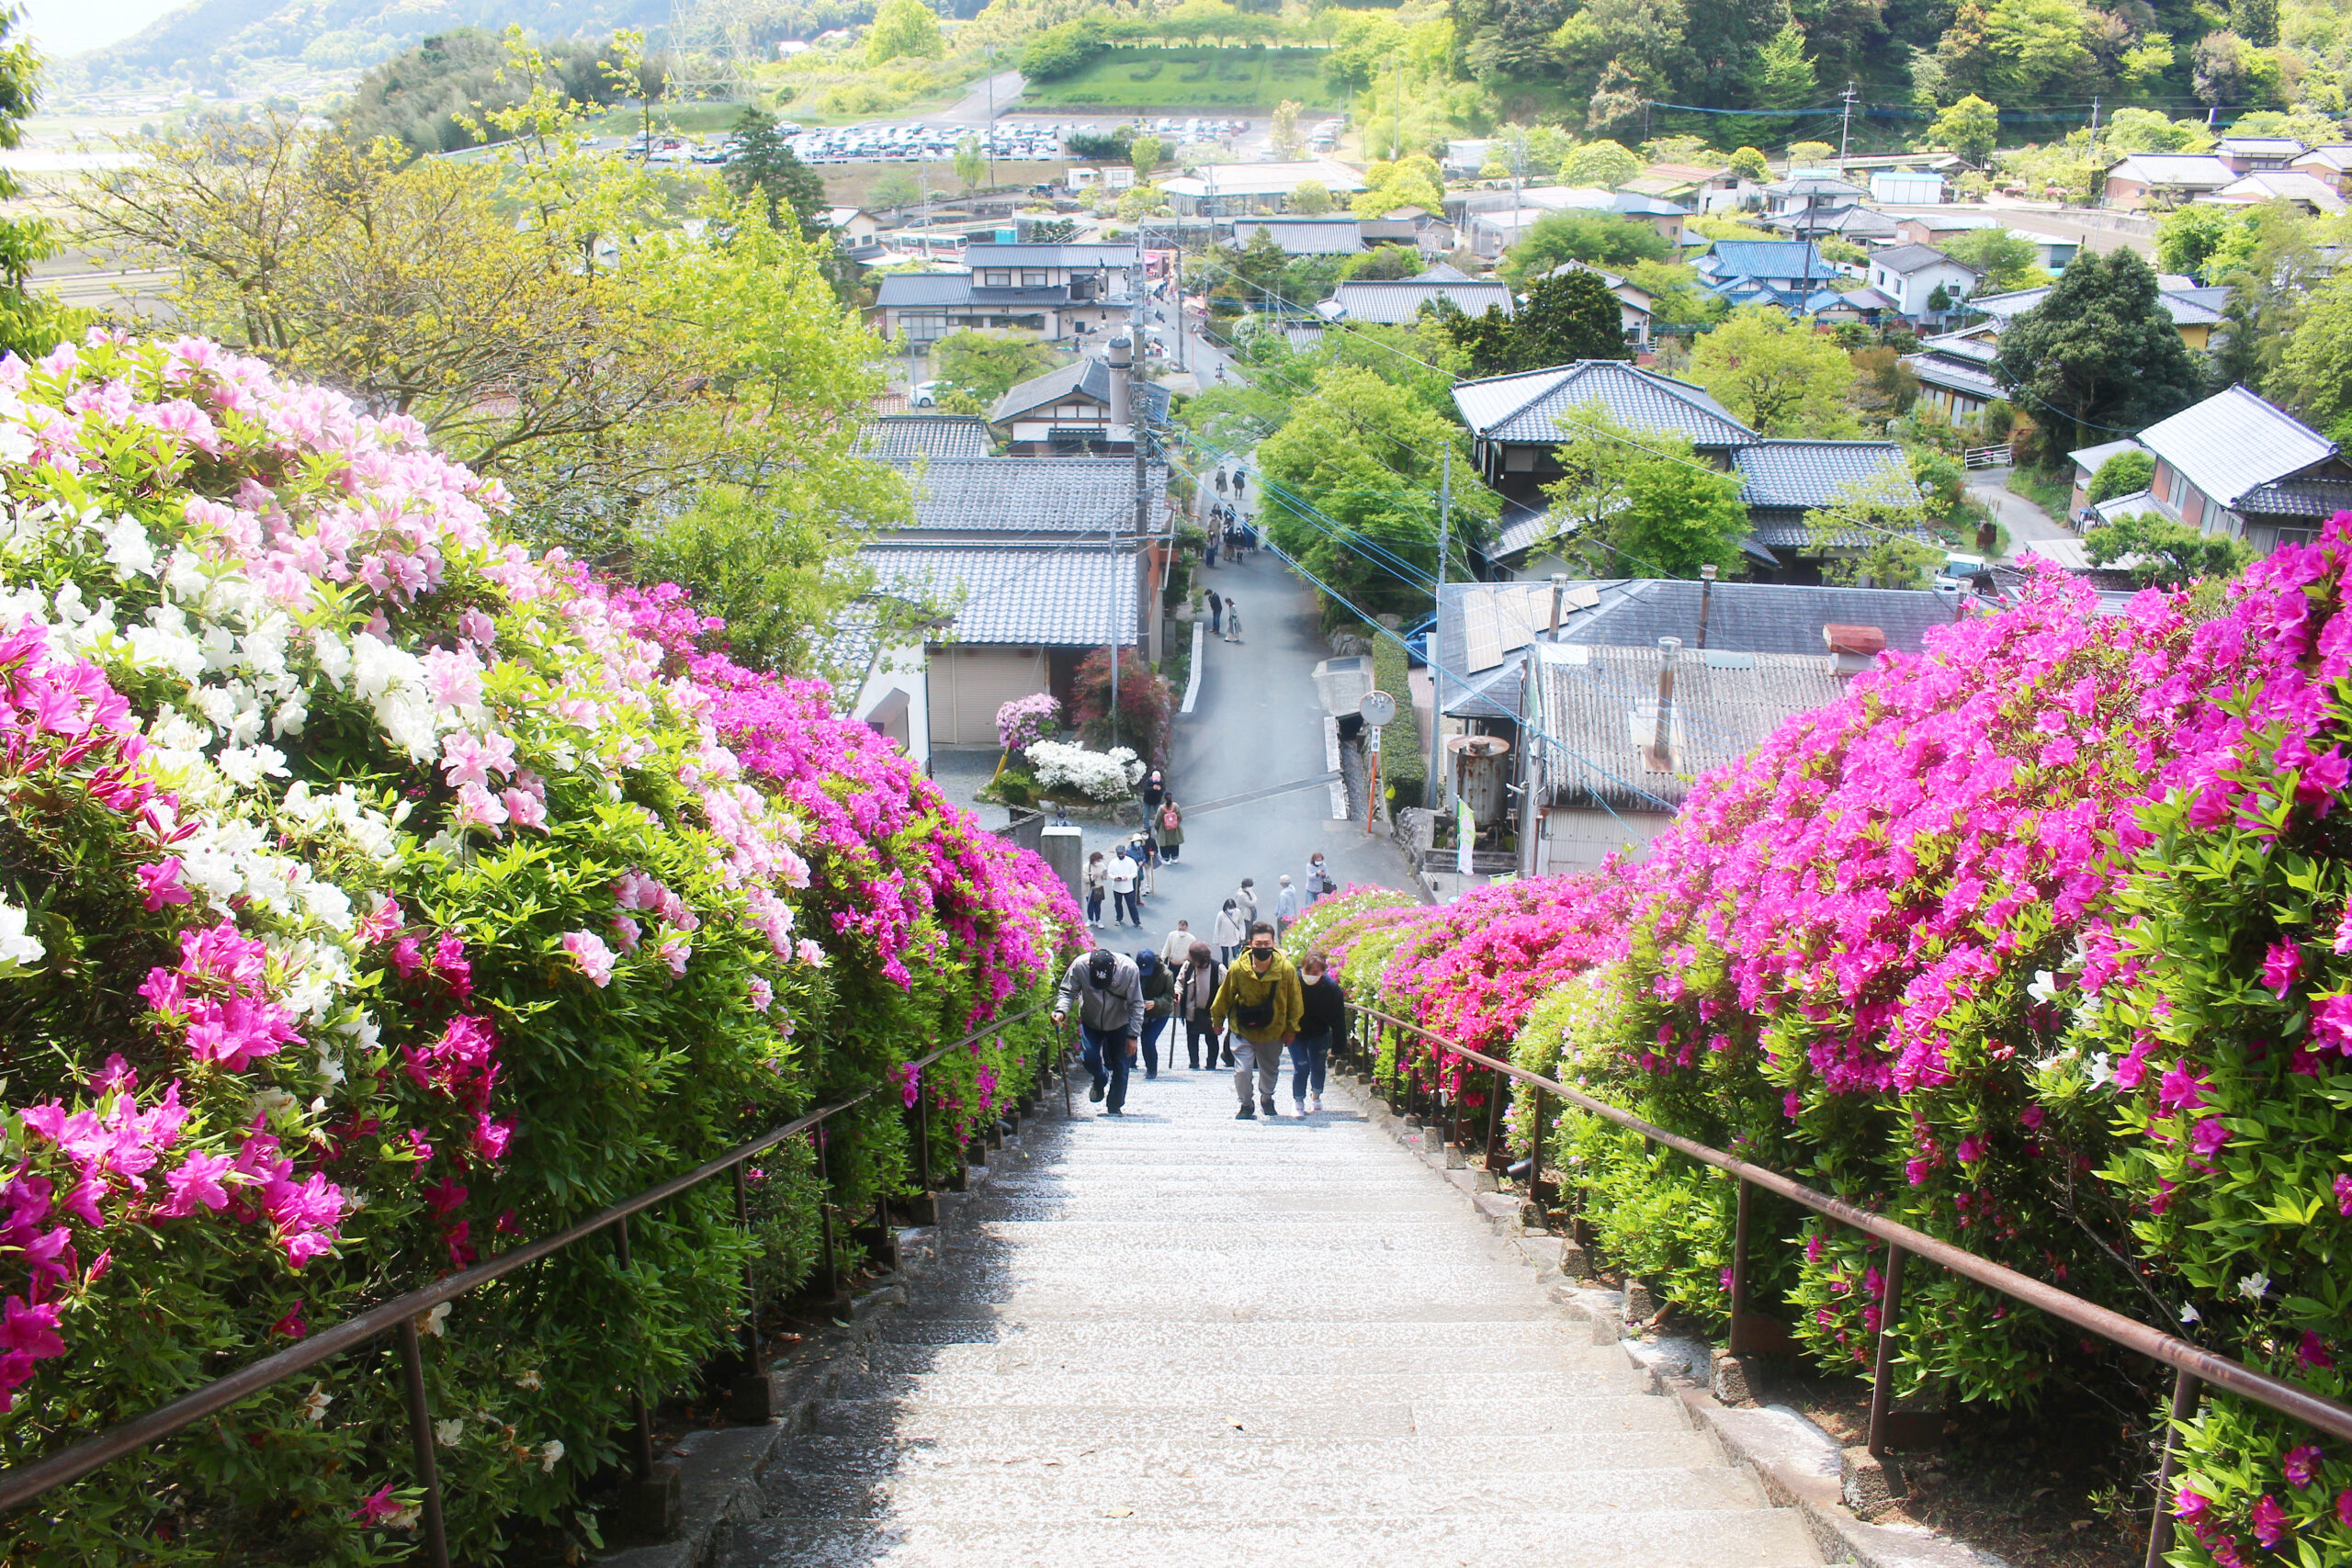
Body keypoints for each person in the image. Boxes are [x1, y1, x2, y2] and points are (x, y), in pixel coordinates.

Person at [1211, 923, 1304, 1120]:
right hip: (1242, 1027)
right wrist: (1217, 1019)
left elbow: (1295, 1000)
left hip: (1273, 1030)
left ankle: (1267, 1098)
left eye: (1267, 943)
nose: (1263, 947)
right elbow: (1225, 994)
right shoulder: (1238, 968)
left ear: (1274, 944)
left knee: (1270, 1069)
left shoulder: (1285, 970)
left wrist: (1291, 1029)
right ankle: (1246, 1104)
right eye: (1258, 944)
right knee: (1242, 1070)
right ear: (1250, 944)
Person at [1052, 947, 1144, 1114]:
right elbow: (1067, 991)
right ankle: (1100, 1078)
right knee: (1089, 1057)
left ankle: (1115, 1105)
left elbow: (1136, 1003)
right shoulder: (1080, 966)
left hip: (1119, 1021)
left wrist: (1133, 1035)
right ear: (1089, 965)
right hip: (1091, 1020)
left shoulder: (1129, 969)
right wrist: (1061, 1011)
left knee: (1121, 1064)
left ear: (1114, 967)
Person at [1293, 950, 1346, 1115]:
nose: (1311, 976)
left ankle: (1316, 1095)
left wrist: (1338, 1046)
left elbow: (1338, 1018)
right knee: (1301, 1066)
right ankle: (1298, 1100)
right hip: (1296, 1032)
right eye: (1308, 971)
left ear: (1323, 972)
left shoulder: (1331, 988)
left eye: (1316, 972)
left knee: (1318, 1066)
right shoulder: (1294, 982)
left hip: (1319, 1032)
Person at [1177, 941, 1225, 1070]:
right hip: (1191, 1010)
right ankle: (1194, 1063)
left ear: (1204, 959)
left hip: (1211, 1012)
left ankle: (1211, 1064)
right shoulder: (1188, 966)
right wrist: (1178, 993)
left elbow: (1226, 991)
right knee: (1192, 1037)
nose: (1193, 962)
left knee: (1211, 1039)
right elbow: (1180, 983)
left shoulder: (1218, 969)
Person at [1136, 948, 1175, 1078]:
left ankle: (1152, 1070)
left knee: (1148, 1040)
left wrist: (1156, 1003)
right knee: (1137, 1038)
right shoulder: (1134, 972)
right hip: (1141, 1012)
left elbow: (1169, 997)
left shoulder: (1166, 974)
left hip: (1160, 1013)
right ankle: (1132, 1065)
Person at [1107, 847, 1139, 927]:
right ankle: (1119, 918)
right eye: (1119, 854)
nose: (1121, 855)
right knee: (1118, 904)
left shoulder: (1131, 861)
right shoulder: (1113, 862)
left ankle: (1137, 921)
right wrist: (1114, 878)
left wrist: (1127, 877)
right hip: (1117, 887)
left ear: (1125, 852)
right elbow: (1109, 873)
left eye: (1122, 854)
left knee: (1131, 905)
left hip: (1128, 887)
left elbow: (1135, 873)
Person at [1213, 897, 1244, 965]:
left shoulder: (1238, 912)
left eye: (1232, 908)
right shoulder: (1221, 914)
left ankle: (1236, 968)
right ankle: (1225, 969)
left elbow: (1241, 924)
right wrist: (1216, 940)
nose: (1231, 910)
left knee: (1236, 955)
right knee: (1225, 955)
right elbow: (1217, 927)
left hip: (1235, 937)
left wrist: (1242, 936)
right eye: (1229, 908)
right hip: (1224, 938)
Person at [1154, 796, 1184, 863]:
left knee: (1164, 843)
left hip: (1164, 829)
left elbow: (1157, 820)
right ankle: (1175, 858)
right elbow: (1180, 817)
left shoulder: (1161, 808)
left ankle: (1166, 859)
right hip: (1175, 828)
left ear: (1164, 799)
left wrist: (1156, 827)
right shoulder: (1176, 806)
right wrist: (1176, 824)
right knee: (1175, 842)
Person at [1272, 874, 1301, 939]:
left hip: (1284, 918)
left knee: (1282, 935)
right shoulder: (1293, 890)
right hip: (1292, 916)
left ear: (1282, 884)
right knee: (1291, 934)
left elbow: (1282, 908)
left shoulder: (1283, 895)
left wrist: (1279, 916)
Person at [1083, 851, 1107, 927]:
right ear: (1093, 860)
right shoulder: (1086, 867)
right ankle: (1090, 919)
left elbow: (1105, 877)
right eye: (1098, 861)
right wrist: (1094, 876)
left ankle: (1098, 920)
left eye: (1100, 861)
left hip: (1099, 888)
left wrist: (1105, 875)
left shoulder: (1102, 866)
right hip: (1090, 889)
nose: (1099, 862)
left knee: (1098, 905)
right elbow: (1085, 879)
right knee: (1090, 905)